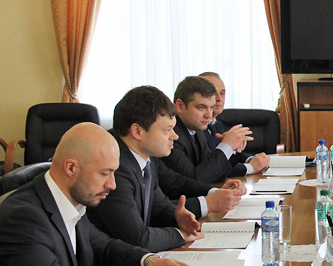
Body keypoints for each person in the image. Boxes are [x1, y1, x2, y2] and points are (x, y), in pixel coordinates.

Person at [0, 123, 211, 266]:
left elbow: (103, 245)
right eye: (104, 174)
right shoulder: (23, 217)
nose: (112, 184)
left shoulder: (68, 198)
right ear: (71, 168)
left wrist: (149, 260)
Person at [88, 86, 246, 251]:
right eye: (167, 130)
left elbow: (159, 207)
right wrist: (181, 235)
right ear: (137, 131)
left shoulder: (146, 157)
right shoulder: (114, 168)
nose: (174, 136)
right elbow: (138, 239)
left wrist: (178, 217)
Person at [162, 76, 265, 183]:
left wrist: (231, 148)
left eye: (211, 107)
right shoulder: (170, 135)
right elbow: (195, 179)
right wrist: (225, 146)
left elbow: (212, 172)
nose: (209, 115)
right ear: (180, 106)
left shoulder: (197, 130)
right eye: (201, 107)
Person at [199, 71, 269, 177]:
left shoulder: (215, 123)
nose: (219, 99)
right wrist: (250, 167)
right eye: (212, 93)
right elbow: (211, 168)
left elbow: (224, 160)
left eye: (222, 93)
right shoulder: (198, 127)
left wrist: (251, 159)